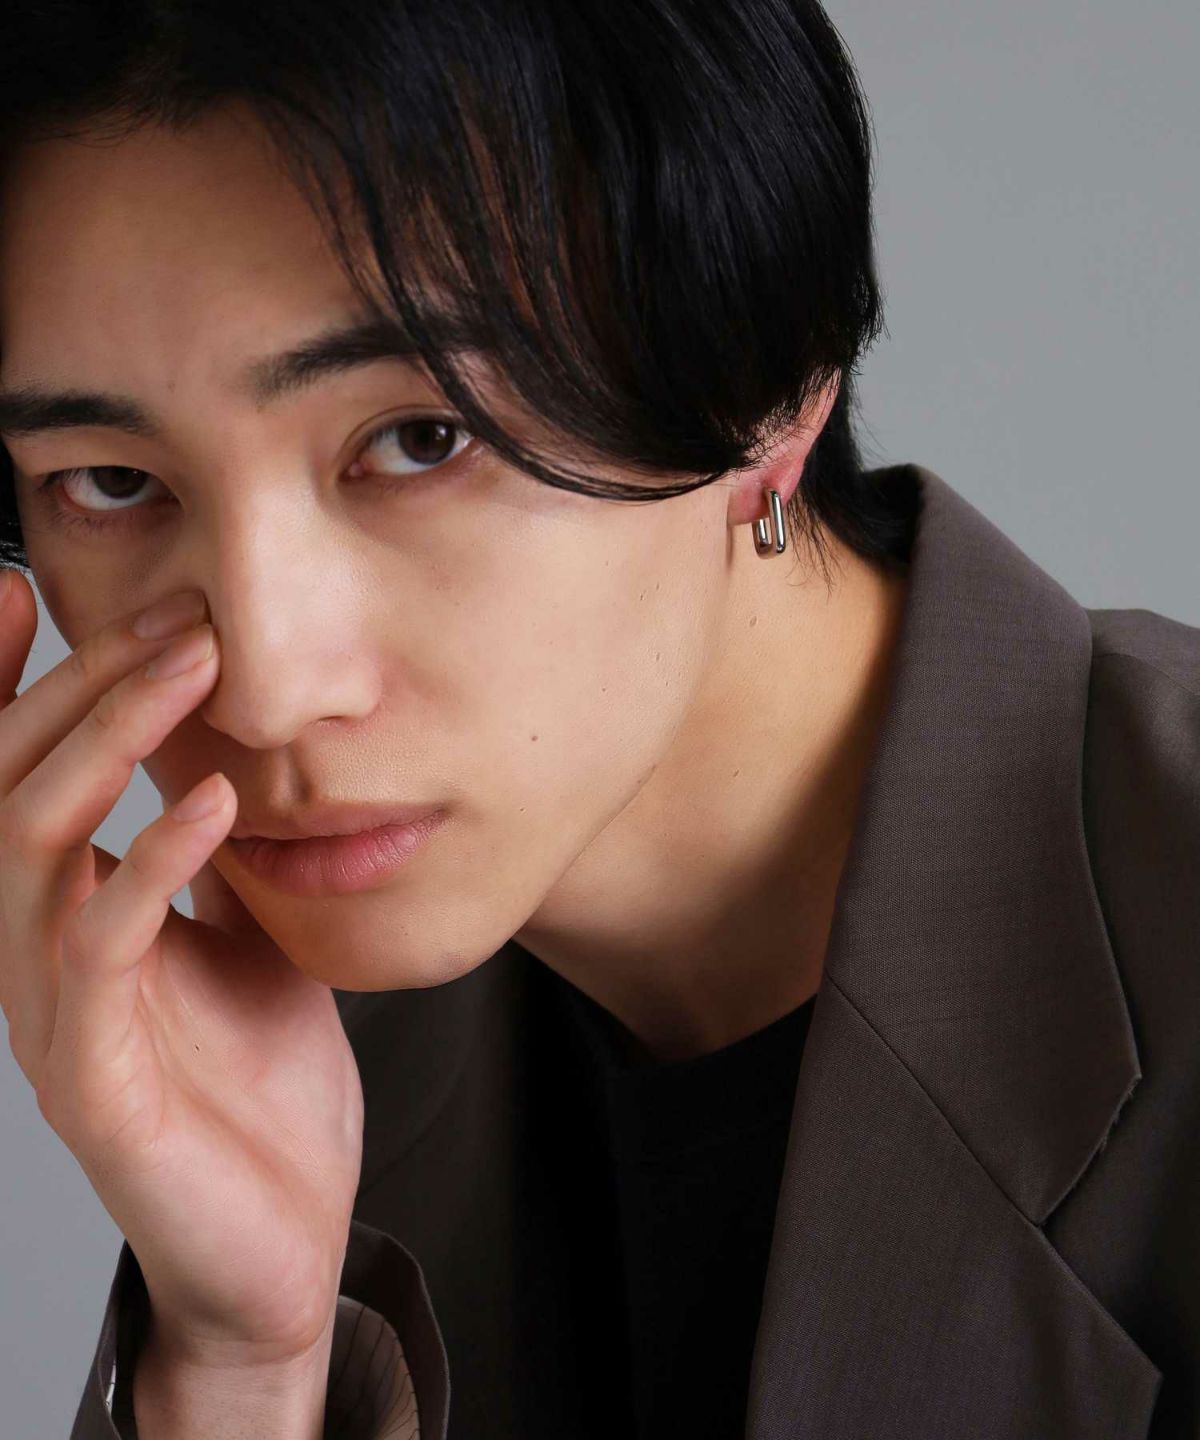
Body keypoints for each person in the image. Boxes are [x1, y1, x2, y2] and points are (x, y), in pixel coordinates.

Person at [0, 2, 1195, 1438]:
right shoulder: (305, 1070)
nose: (263, 688)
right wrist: (240, 1366)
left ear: (769, 388)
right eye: (111, 483)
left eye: (423, 438)